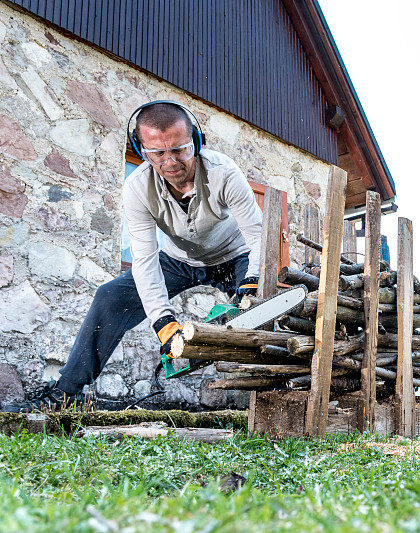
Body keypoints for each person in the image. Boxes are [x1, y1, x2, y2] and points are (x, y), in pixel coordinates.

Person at [34, 101, 264, 408]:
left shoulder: (224, 173)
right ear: (141, 150)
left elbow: (257, 235)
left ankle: (269, 396)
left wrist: (252, 280)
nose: (170, 162)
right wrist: (163, 322)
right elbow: (144, 259)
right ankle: (62, 394)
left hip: (234, 255)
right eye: (156, 153)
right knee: (110, 297)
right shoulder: (137, 187)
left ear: (195, 141)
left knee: (263, 309)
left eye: (179, 149)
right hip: (178, 260)